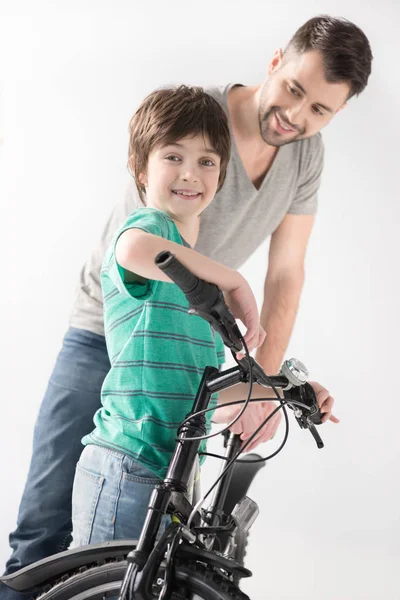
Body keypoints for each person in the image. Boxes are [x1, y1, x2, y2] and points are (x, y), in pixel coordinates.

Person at [1, 14, 372, 598]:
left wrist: (263, 380)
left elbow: (285, 272)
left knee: (153, 552)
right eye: (294, 90)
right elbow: (139, 242)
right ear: (276, 61)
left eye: (320, 110)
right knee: (45, 529)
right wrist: (226, 278)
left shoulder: (306, 156)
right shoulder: (194, 120)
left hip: (186, 333)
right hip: (113, 325)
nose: (296, 116)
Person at [71, 84, 269, 545]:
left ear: (220, 176)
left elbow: (194, 393)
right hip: (128, 465)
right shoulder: (152, 229)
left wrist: (282, 391)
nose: (190, 173)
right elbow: (132, 248)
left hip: (172, 476)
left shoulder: (190, 281)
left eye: (206, 161)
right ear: (141, 170)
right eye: (173, 157)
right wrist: (232, 279)